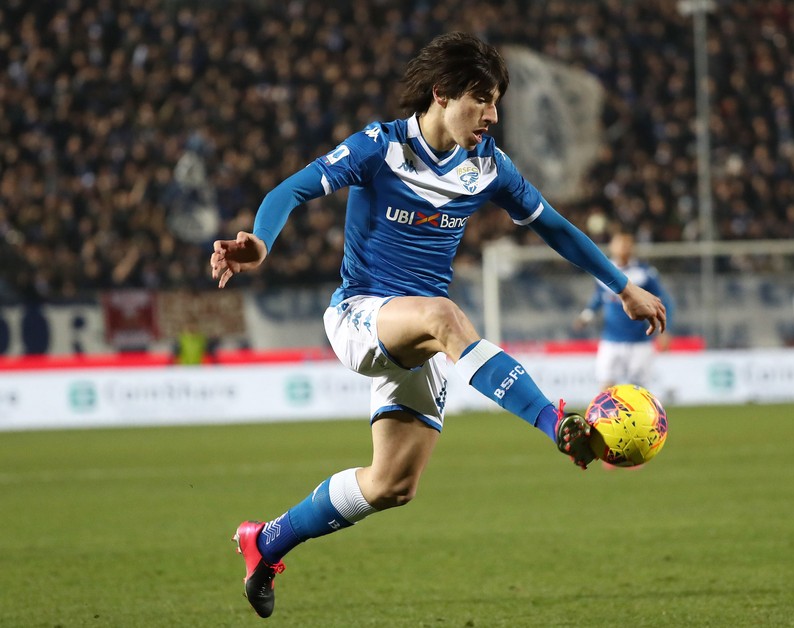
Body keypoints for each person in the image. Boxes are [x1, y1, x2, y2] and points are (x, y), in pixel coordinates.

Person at [210, 32, 666, 619]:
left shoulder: (488, 167)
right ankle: (555, 422)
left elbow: (556, 227)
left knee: (392, 485)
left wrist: (623, 287)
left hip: (419, 337)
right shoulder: (380, 147)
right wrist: (260, 243)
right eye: (483, 100)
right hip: (360, 316)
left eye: (497, 101)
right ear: (443, 94)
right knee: (445, 313)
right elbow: (291, 189)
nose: (493, 115)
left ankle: (265, 543)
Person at [574, 228, 672, 390]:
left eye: (627, 244)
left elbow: (662, 301)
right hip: (611, 340)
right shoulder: (603, 271)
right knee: (606, 387)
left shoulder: (644, 273)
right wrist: (586, 316)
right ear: (612, 246)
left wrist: (665, 331)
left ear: (632, 248)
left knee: (639, 390)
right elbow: (598, 298)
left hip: (639, 341)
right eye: (619, 244)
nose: (623, 248)